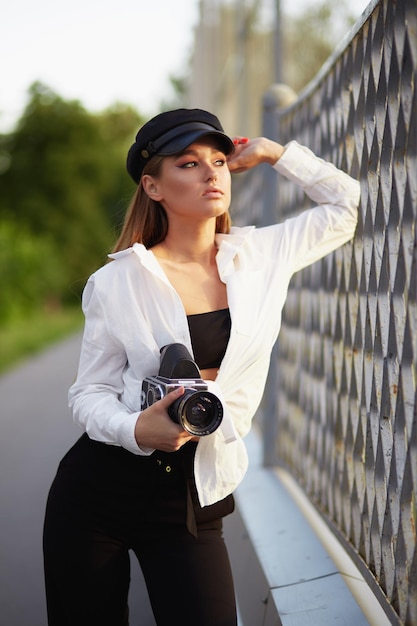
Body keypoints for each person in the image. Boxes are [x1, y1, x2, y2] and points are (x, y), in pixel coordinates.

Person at [43, 108, 360, 626]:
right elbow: (89, 392)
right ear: (153, 186)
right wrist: (135, 427)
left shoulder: (261, 257)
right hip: (97, 495)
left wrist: (277, 154)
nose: (212, 173)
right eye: (188, 163)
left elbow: (346, 205)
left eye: (218, 160)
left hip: (193, 501)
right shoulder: (117, 281)